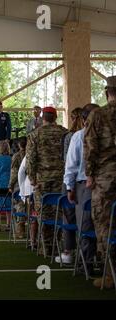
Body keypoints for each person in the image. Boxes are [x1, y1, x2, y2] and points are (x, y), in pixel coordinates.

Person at [84, 76, 116, 289]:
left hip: (106, 179)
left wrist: (90, 174)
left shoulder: (98, 115)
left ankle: (110, 275)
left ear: (107, 93)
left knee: (104, 225)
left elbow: (91, 148)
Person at [60, 104, 99, 269]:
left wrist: (69, 188)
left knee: (85, 226)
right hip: (105, 184)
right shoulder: (108, 134)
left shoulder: (78, 136)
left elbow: (71, 165)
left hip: (85, 185)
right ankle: (103, 264)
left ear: (83, 119)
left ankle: (86, 264)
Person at [26, 106, 68, 256]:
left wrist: (32, 179)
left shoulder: (35, 134)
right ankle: (60, 246)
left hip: (42, 181)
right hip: (61, 179)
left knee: (43, 213)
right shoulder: (65, 133)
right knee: (60, 212)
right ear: (55, 117)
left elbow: (31, 159)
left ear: (43, 117)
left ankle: (46, 247)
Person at [55, 107, 85, 264]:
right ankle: (87, 253)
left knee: (68, 215)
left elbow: (67, 162)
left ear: (73, 118)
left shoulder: (70, 136)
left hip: (73, 179)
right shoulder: (94, 134)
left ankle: (68, 252)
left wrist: (68, 186)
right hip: (90, 181)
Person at [8, 137, 27, 237]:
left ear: (19, 145)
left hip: (19, 186)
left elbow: (14, 173)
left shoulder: (16, 156)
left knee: (20, 207)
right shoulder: (32, 154)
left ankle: (20, 230)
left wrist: (10, 185)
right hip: (31, 185)